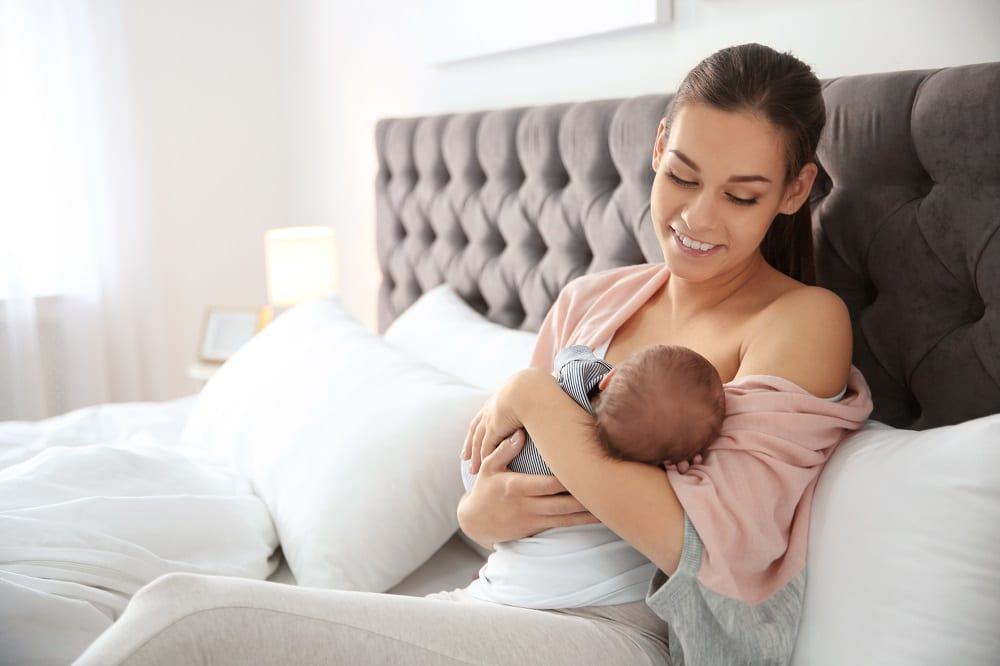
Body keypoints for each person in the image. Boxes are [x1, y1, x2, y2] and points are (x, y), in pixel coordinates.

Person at [74, 42, 874, 665]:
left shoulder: (801, 320)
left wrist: (532, 394)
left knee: (193, 617)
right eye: (681, 175)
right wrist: (476, 514)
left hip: (616, 635)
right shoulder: (591, 300)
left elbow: (698, 543)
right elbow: (502, 476)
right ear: (659, 144)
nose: (698, 218)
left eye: (741, 196)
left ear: (795, 191)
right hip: (496, 594)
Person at [456, 342, 721, 610]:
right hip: (499, 578)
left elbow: (569, 356)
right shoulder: (648, 459)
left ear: (610, 377)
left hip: (580, 605)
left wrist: (528, 391)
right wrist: (471, 518)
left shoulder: (581, 379)